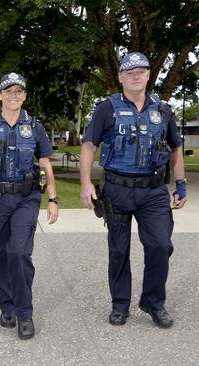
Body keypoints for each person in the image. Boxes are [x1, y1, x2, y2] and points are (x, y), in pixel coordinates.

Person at [79, 52, 186, 328]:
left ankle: (153, 302)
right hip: (117, 190)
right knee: (118, 250)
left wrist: (181, 183)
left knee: (160, 246)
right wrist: (86, 182)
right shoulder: (107, 108)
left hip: (153, 191)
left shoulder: (163, 110)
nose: (135, 76)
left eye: (140, 71)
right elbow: (89, 144)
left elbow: (175, 147)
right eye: (129, 72)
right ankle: (120, 305)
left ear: (149, 74)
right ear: (120, 77)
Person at [0, 73, 58, 340]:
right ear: (0, 95)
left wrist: (52, 199)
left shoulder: (35, 127)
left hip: (26, 198)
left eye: (18, 91)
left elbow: (45, 164)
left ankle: (24, 313)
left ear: (25, 95)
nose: (13, 96)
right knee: (0, 255)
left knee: (18, 253)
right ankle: (7, 304)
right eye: (8, 91)